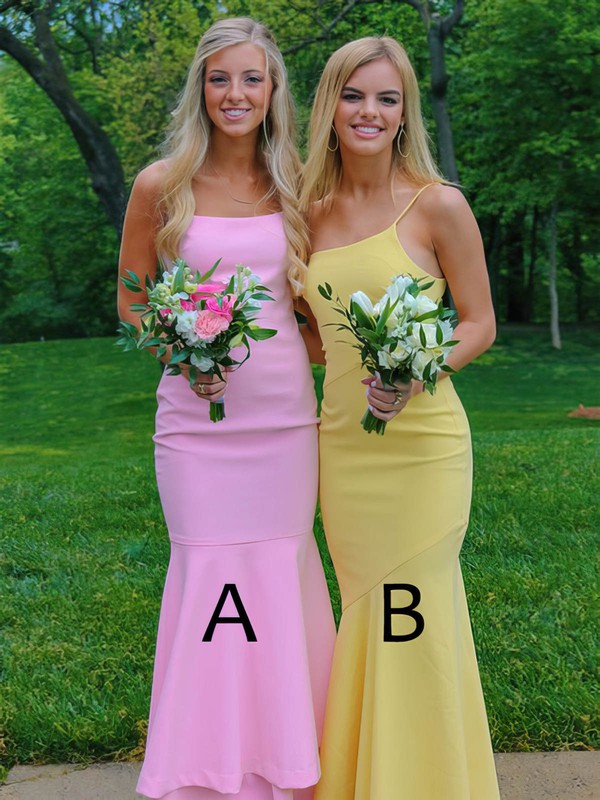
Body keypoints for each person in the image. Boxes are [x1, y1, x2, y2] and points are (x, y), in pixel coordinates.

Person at [118, 18, 335, 800]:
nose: (234, 94)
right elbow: (133, 301)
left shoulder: (300, 183)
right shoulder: (161, 184)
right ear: (200, 90)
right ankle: (200, 774)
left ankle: (292, 767)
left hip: (284, 425)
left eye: (250, 79)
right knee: (210, 573)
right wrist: (183, 354)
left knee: (279, 575)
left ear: (273, 90)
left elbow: (314, 310)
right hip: (195, 429)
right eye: (219, 79)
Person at [298, 37, 501, 798]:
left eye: (387, 98)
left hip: (424, 453)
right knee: (367, 611)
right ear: (330, 106)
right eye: (354, 95)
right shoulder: (305, 216)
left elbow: (478, 324)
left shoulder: (437, 204)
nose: (370, 112)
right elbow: (316, 338)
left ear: (405, 111)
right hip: (345, 455)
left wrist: (418, 372)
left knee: (411, 609)